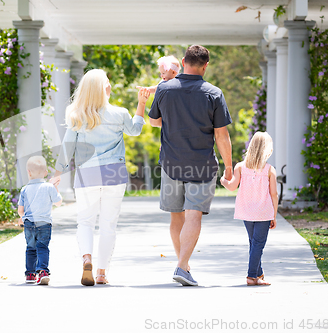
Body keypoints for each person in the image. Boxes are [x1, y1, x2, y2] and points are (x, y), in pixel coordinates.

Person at [50, 69, 150, 286]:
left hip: (87, 175)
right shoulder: (120, 113)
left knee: (85, 222)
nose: (110, 86)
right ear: (104, 88)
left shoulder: (76, 115)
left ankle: (87, 258)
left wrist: (56, 176)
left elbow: (67, 149)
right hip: (115, 173)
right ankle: (102, 272)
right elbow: (135, 130)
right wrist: (141, 103)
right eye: (108, 83)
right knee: (108, 225)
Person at [148, 45, 233, 286]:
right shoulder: (214, 93)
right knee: (193, 215)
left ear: (183, 61)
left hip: (171, 163)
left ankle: (183, 265)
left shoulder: (164, 89)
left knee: (177, 217)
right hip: (202, 165)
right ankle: (182, 266)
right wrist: (229, 166)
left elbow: (154, 121)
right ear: (205, 66)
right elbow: (221, 135)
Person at [221, 132, 278, 286]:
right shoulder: (269, 170)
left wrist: (223, 181)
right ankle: (251, 276)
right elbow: (274, 194)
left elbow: (232, 186)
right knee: (258, 244)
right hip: (264, 212)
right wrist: (274, 215)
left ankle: (259, 274)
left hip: (246, 211)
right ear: (267, 150)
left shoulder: (240, 167)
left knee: (254, 243)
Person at [18, 156, 63, 285]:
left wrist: (22, 217)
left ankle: (30, 274)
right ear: (45, 173)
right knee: (42, 247)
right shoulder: (49, 187)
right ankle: (43, 271)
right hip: (44, 224)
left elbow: (21, 210)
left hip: (29, 224)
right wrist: (55, 187)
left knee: (30, 248)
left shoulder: (24, 189)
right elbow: (58, 202)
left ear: (29, 172)